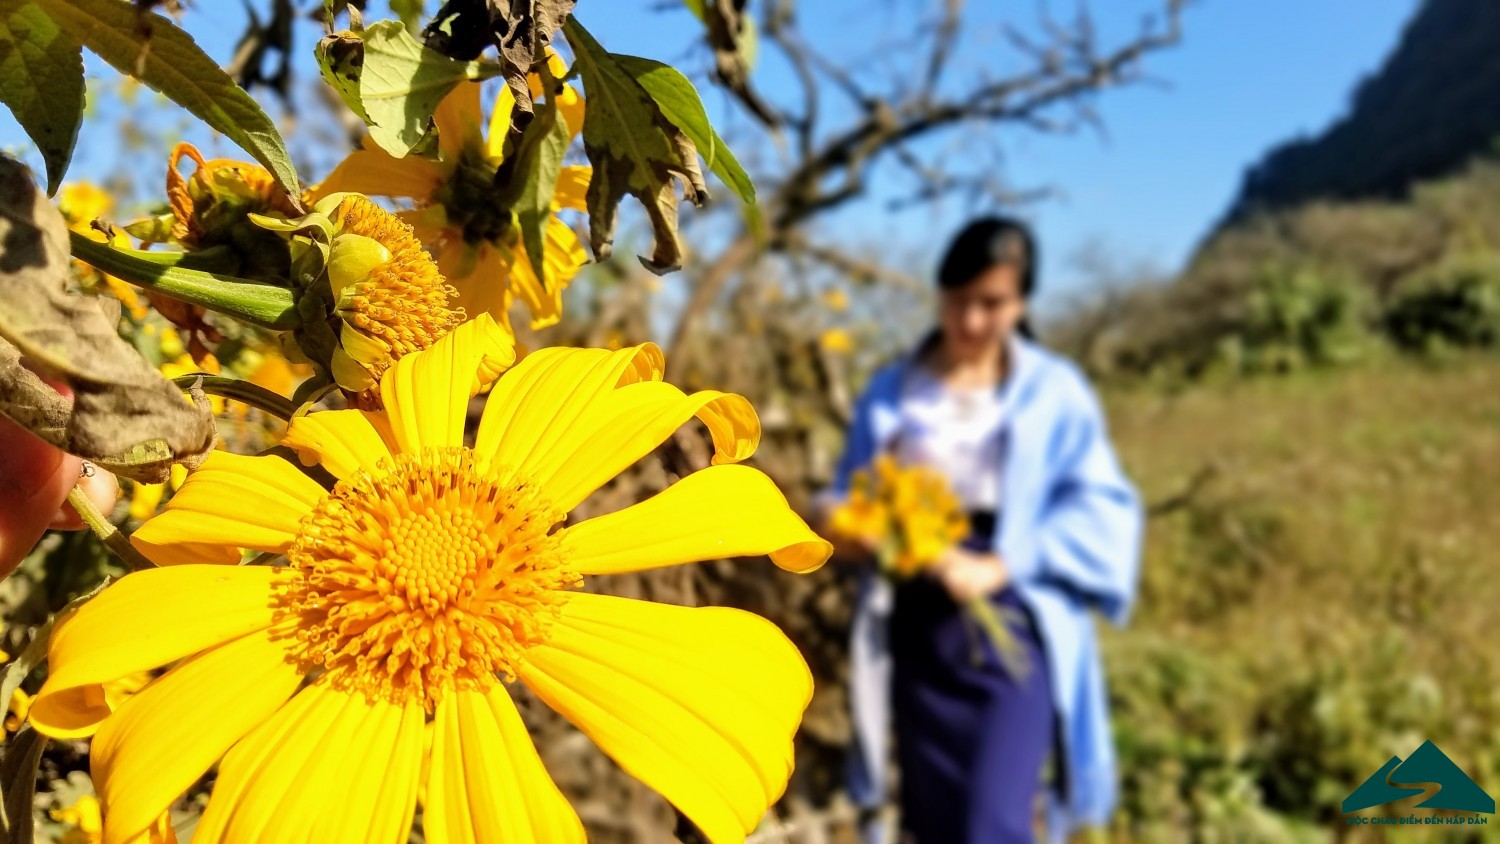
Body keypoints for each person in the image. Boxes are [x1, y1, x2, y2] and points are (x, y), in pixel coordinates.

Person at [826, 217, 1143, 844]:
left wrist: (999, 565)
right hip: (913, 620)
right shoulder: (891, 389)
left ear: (1021, 303)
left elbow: (1101, 506)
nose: (972, 321)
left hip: (1011, 617)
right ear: (939, 294)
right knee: (932, 813)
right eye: (958, 301)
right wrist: (862, 531)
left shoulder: (1056, 391)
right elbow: (848, 492)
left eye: (992, 304)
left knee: (991, 820)